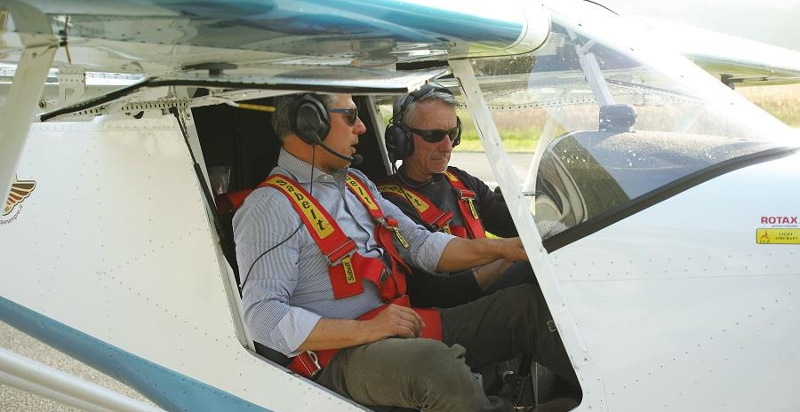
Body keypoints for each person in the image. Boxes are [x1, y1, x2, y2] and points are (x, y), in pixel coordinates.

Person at [233, 92, 578, 412]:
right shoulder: (269, 208)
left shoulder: (357, 185)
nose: (361, 127)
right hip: (339, 354)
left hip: (395, 325)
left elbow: (422, 245)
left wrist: (505, 247)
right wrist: (366, 330)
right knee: (436, 367)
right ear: (311, 125)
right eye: (350, 116)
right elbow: (262, 317)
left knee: (527, 308)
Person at [381, 84, 536, 308]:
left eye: (452, 134)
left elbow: (518, 226)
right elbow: (433, 295)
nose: (447, 147)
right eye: (433, 136)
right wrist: (505, 257)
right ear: (402, 138)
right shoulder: (388, 203)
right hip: (451, 312)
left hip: (488, 297)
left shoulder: (461, 182)